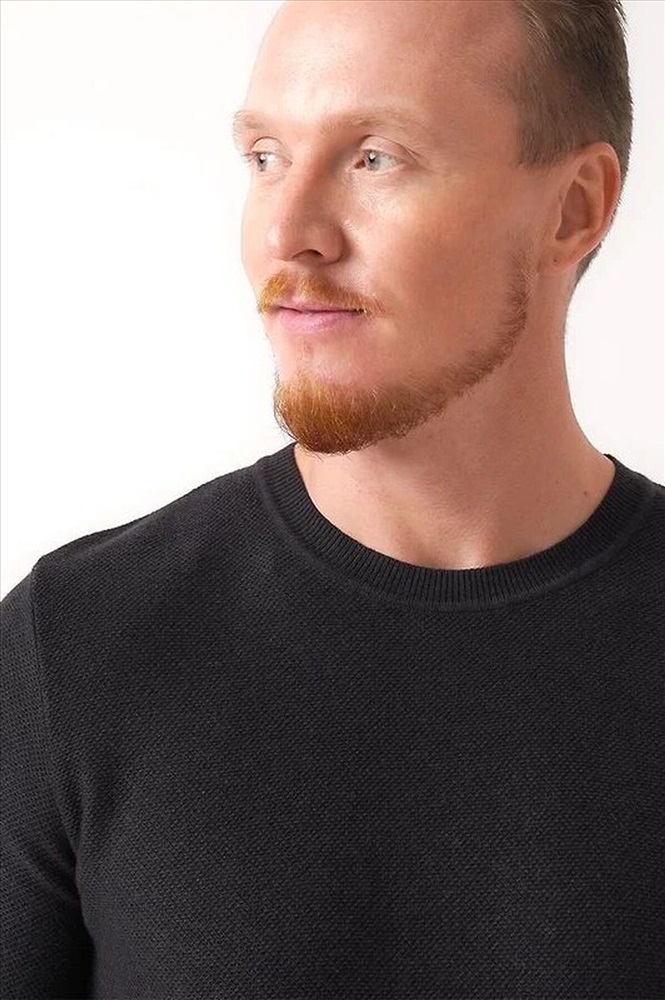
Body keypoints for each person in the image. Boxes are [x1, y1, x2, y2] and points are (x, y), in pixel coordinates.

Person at [1, 0, 663, 996]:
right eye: (265, 157)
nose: (288, 232)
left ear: (573, 209)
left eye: (373, 158)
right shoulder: (75, 648)